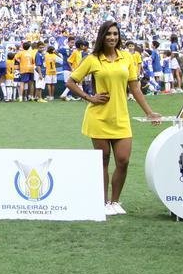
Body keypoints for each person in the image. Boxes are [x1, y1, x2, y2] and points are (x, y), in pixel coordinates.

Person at [65, 21, 162, 216]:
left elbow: (135, 88)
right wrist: (89, 97)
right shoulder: (93, 59)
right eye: (108, 34)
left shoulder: (127, 57)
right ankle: (102, 202)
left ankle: (115, 201)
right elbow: (71, 81)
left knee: (123, 160)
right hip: (98, 118)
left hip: (121, 118)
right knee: (103, 161)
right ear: (102, 36)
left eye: (115, 34)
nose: (112, 37)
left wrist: (149, 112)